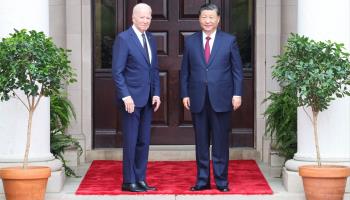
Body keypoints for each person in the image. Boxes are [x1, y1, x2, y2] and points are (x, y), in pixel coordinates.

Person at [180, 3, 243, 192]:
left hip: (222, 98)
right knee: (201, 142)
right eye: (204, 17)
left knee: (220, 142)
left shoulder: (229, 40)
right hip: (197, 98)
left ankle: (222, 181)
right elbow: (185, 71)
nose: (207, 21)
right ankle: (202, 180)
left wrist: (237, 93)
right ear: (199, 19)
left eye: (211, 17)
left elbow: (237, 70)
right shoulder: (190, 41)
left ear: (218, 19)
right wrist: (184, 93)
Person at [112, 3, 161, 192]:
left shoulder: (151, 38)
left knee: (143, 141)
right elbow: (117, 72)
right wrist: (125, 96)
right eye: (142, 17)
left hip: (148, 99)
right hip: (130, 101)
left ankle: (140, 179)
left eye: (148, 17)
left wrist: (156, 92)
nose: (146, 21)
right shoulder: (124, 39)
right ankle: (128, 180)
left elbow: (154, 69)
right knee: (131, 141)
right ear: (133, 18)